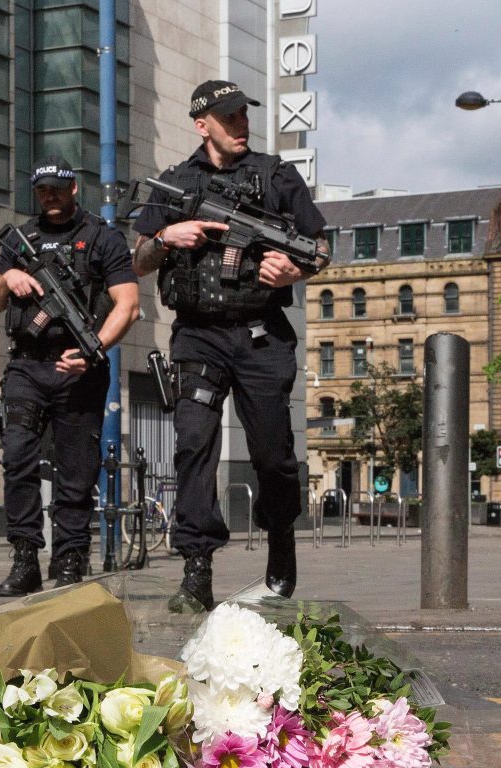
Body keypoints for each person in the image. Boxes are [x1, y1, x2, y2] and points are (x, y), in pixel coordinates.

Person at [132, 81, 329, 612]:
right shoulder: (175, 184)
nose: (241, 122)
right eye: (229, 116)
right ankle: (197, 569)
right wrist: (166, 238)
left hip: (261, 334)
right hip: (197, 335)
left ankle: (280, 543)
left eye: (244, 114)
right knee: (193, 444)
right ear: (203, 124)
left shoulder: (276, 175)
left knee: (273, 455)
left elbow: (319, 246)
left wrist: (295, 266)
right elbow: (137, 259)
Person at [0, 156, 139, 597]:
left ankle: (70, 557)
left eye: (57, 187)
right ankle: (24, 556)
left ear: (74, 188)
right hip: (28, 365)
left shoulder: (102, 238)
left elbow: (127, 304)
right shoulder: (20, 241)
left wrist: (96, 351)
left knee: (76, 470)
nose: (49, 195)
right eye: (42, 189)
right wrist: (9, 274)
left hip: (79, 368)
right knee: (16, 458)